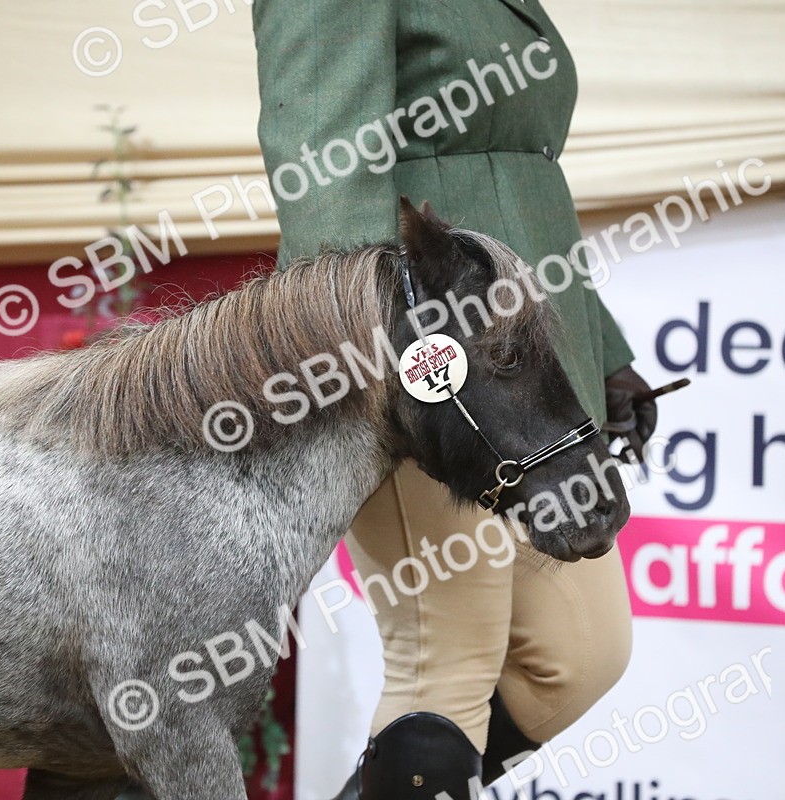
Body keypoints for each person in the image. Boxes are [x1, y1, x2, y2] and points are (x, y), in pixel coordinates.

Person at [252, 0, 660, 795]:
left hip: (528, 377)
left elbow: (523, 182)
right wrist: (379, 367)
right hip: (429, 375)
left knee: (580, 658)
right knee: (447, 665)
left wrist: (599, 351)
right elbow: (327, 170)